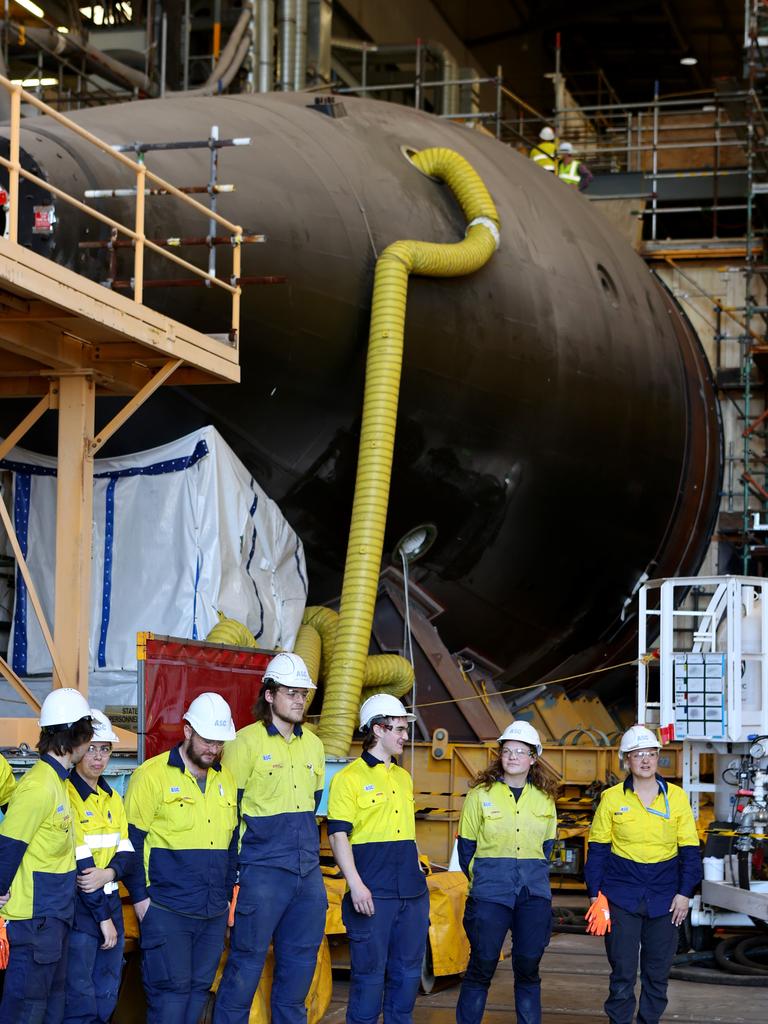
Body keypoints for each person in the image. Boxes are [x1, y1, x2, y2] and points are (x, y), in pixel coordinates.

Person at [214, 652, 326, 1024]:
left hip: (307, 874)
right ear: (270, 695)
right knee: (245, 967)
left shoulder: (314, 745)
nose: (299, 699)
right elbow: (229, 815)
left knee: (298, 972)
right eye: (291, 692)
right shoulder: (243, 744)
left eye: (303, 693)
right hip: (261, 872)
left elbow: (311, 806)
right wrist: (232, 880)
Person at [124, 692, 238, 1024]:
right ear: (187, 730)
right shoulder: (151, 776)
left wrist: (225, 899)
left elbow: (231, 846)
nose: (214, 749)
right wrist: (143, 903)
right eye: (207, 740)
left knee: (198, 992)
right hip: (166, 911)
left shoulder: (225, 780)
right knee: (169, 999)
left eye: (219, 742)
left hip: (212, 913)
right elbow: (131, 843)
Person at [584, 725, 702, 1024]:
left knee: (657, 972)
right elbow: (597, 849)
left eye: (650, 753)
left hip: (665, 896)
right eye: (638, 754)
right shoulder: (611, 799)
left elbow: (690, 851)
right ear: (627, 760)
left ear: (658, 757)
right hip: (621, 894)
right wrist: (594, 894)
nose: (645, 760)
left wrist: (685, 893)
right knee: (622, 972)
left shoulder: (676, 798)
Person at [327, 694, 428, 1024]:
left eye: (404, 728)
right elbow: (338, 834)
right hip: (371, 895)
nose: (404, 736)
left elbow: (407, 833)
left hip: (411, 895)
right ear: (376, 729)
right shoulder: (349, 779)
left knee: (407, 976)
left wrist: (416, 870)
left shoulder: (403, 777)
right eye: (398, 729)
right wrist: (355, 886)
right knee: (369, 981)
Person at [0, 687, 94, 1024]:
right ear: (77, 737)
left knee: (51, 1008)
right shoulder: (39, 786)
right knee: (26, 1011)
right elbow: (9, 847)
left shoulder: (59, 782)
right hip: (34, 922)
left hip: (53, 918)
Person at [456, 720, 558, 1024]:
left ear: (533, 758)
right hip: (490, 891)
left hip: (533, 893)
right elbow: (466, 850)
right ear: (500, 755)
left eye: (520, 751)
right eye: (507, 750)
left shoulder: (544, 799)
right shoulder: (480, 795)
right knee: (482, 965)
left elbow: (548, 846)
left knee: (528, 967)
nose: (512, 756)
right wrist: (485, 878)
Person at [63, 709, 134, 1024]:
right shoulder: (68, 795)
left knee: (107, 988)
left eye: (105, 749)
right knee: (79, 995)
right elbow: (82, 867)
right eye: (91, 748)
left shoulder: (112, 797)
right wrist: (104, 918)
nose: (98, 757)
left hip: (109, 902)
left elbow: (127, 851)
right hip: (82, 909)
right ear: (78, 748)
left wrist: (110, 873)